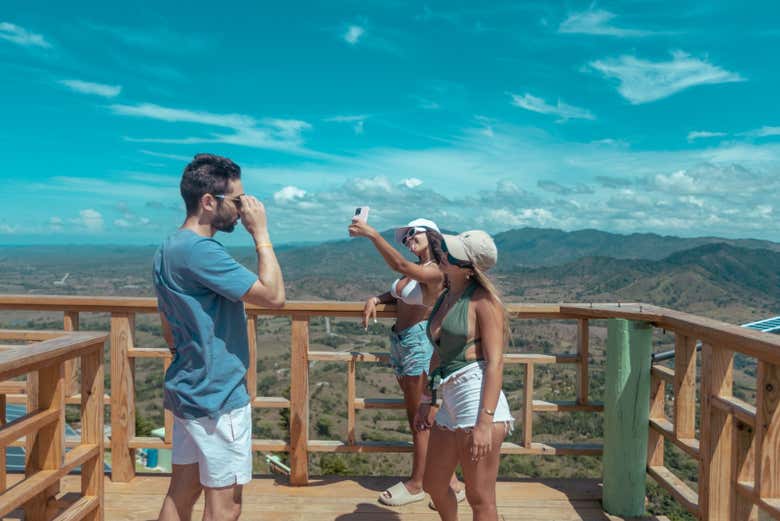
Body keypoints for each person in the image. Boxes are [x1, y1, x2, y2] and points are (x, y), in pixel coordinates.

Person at [153, 153, 285, 521]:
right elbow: (274, 296)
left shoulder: (168, 248)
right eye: (238, 200)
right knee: (226, 507)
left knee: (182, 492)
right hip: (217, 396)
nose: (243, 209)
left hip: (189, 387)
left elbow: (168, 324)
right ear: (209, 202)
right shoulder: (201, 252)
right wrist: (261, 233)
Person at [348, 218, 464, 508]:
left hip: (418, 343)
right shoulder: (418, 271)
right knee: (419, 417)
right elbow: (399, 290)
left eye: (414, 234)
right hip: (401, 342)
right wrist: (376, 297)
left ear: (432, 235)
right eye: (405, 238)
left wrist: (372, 234)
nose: (409, 240)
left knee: (421, 420)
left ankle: (418, 485)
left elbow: (400, 268)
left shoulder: (435, 271)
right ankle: (449, 482)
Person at [415, 230, 513, 521]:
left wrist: (485, 421)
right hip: (450, 399)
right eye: (444, 248)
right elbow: (438, 353)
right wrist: (427, 399)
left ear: (469, 266)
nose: (442, 253)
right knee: (433, 484)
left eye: (450, 251)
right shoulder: (447, 295)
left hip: (476, 396)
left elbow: (495, 363)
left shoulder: (483, 301)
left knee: (480, 497)